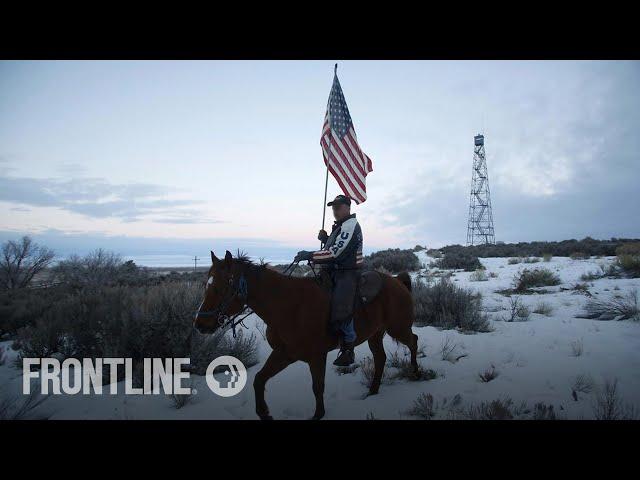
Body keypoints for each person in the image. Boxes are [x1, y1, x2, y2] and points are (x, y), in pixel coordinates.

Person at [295, 194, 363, 366]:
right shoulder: (340, 227)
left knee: (342, 304)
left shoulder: (350, 225)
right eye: (333, 208)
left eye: (338, 207)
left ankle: (348, 346)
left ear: (348, 207)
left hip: (348, 272)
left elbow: (336, 253)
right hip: (334, 271)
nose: (335, 211)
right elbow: (333, 246)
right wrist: (326, 239)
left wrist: (309, 255)